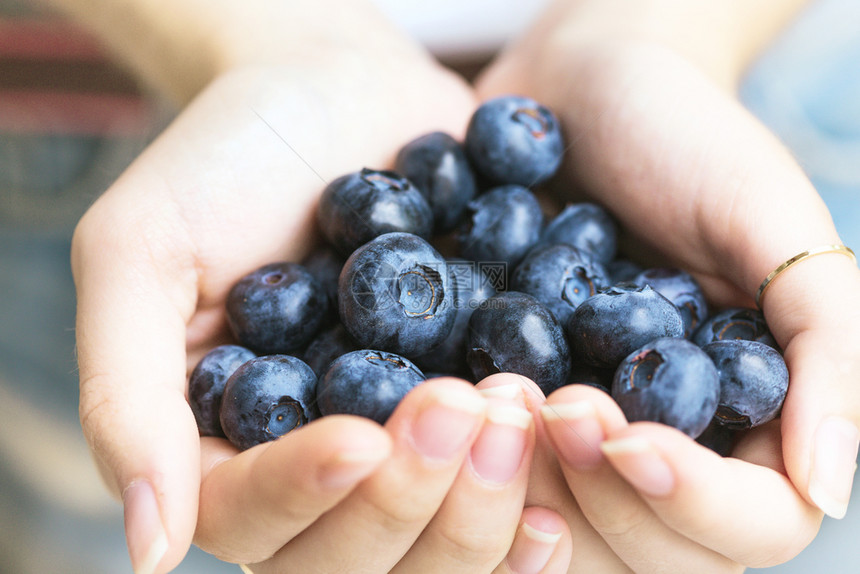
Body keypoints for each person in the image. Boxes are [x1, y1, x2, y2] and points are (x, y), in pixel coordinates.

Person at [49, 0, 860, 572]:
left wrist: (657, 28)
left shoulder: (580, 299)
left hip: (788, 86)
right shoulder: (429, 279)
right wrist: (272, 38)